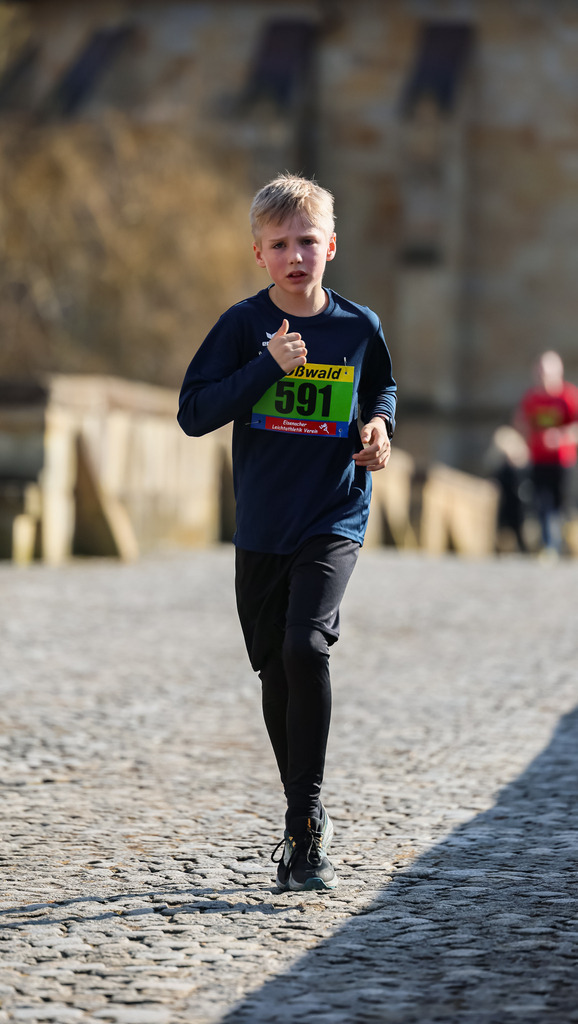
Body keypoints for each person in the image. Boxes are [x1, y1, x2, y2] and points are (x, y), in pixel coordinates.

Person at [177, 173, 396, 892]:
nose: (296, 255)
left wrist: (378, 427)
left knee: (307, 647)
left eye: (308, 241)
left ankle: (304, 823)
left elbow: (380, 390)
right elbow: (194, 412)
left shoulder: (357, 326)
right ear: (259, 254)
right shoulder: (243, 326)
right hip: (264, 524)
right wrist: (265, 367)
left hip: (334, 514)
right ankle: (303, 808)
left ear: (331, 246)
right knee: (275, 667)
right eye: (281, 244)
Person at [515, 351, 578, 555]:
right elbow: (521, 423)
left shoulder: (568, 396)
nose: (542, 377)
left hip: (564, 460)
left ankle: (565, 544)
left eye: (546, 372)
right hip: (538, 459)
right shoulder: (532, 398)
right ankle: (549, 545)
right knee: (542, 503)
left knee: (563, 505)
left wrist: (561, 436)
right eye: (539, 372)